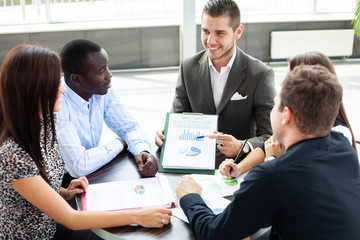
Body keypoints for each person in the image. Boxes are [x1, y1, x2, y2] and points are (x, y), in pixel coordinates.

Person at [0, 44, 172, 240]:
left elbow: (35, 187)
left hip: (50, 224)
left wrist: (63, 192)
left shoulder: (40, 125)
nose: (63, 89)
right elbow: (71, 219)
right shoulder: (14, 155)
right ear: (34, 91)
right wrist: (138, 216)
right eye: (55, 84)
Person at [175, 65, 360, 239]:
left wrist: (191, 196)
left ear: (286, 115)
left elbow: (214, 234)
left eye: (274, 105)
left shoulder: (273, 175)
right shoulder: (343, 148)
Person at [155, 0, 275, 166]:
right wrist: (167, 133)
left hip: (238, 166)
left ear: (238, 32)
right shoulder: (187, 67)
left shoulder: (260, 74)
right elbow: (178, 119)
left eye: (220, 33)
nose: (210, 41)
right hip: (193, 161)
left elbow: (270, 137)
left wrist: (242, 146)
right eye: (205, 31)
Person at [219, 51, 357, 178]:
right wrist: (238, 168)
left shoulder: (337, 135)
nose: (284, 89)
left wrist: (272, 160)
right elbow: (267, 145)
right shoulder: (300, 121)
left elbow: (301, 176)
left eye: (289, 81)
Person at [56, 39, 158, 182]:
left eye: (107, 67)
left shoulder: (102, 90)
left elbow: (129, 127)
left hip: (91, 173)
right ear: (77, 79)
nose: (109, 75)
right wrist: (120, 143)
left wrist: (143, 151)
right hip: (59, 184)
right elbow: (79, 166)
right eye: (101, 70)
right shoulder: (57, 103)